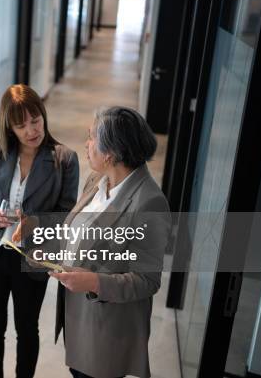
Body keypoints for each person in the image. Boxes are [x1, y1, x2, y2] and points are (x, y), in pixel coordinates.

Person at [0, 84, 79, 378]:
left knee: (27, 329)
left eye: (36, 120)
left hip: (32, 258)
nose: (31, 130)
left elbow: (68, 216)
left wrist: (36, 223)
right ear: (10, 128)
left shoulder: (63, 159)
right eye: (21, 125)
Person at [48, 106, 171, 378]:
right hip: (79, 318)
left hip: (106, 332)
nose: (86, 144)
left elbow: (147, 280)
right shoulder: (96, 180)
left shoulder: (150, 203)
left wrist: (92, 282)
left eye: (92, 138)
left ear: (111, 154)